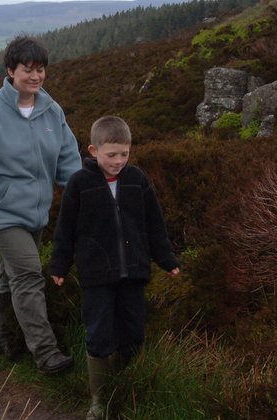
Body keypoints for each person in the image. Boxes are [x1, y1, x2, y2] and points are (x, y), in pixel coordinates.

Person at [0, 34, 82, 374]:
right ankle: (46, 352)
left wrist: (85, 193)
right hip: (1, 213)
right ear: (10, 70)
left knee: (12, 279)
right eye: (28, 69)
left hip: (36, 213)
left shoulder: (52, 111)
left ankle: (0, 335)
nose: (35, 76)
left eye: (41, 70)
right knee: (28, 276)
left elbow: (69, 159)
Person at [48, 116, 180, 420]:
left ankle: (129, 387)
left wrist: (167, 260)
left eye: (125, 154)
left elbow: (154, 224)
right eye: (111, 154)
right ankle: (100, 401)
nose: (119, 161)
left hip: (134, 272)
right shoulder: (79, 184)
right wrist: (60, 265)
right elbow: (65, 229)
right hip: (97, 275)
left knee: (133, 330)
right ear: (94, 151)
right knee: (99, 334)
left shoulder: (138, 179)